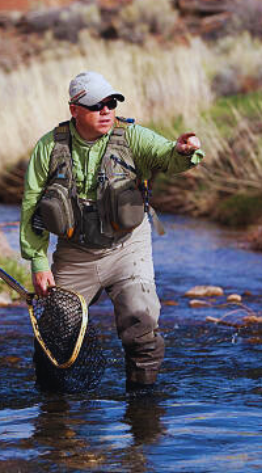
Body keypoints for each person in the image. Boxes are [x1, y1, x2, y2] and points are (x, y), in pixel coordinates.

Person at [19, 71, 203, 392]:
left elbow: (166, 156)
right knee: (54, 336)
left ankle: (143, 407)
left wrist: (183, 151)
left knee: (140, 319)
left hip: (127, 248)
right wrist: (38, 262)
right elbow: (32, 206)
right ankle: (53, 417)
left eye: (111, 103)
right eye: (96, 105)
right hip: (75, 253)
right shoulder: (49, 146)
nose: (106, 111)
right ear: (74, 109)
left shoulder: (132, 137)